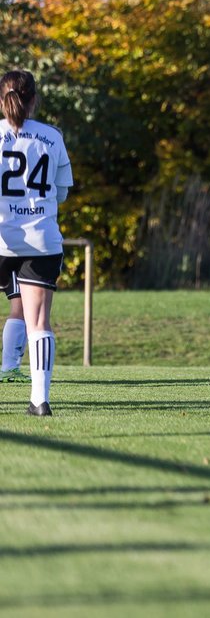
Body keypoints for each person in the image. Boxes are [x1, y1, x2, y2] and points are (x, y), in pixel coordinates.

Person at [0, 70, 73, 416]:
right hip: (40, 240)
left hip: (2, 240)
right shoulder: (52, 136)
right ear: (34, 99)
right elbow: (60, 193)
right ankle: (39, 400)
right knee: (39, 322)